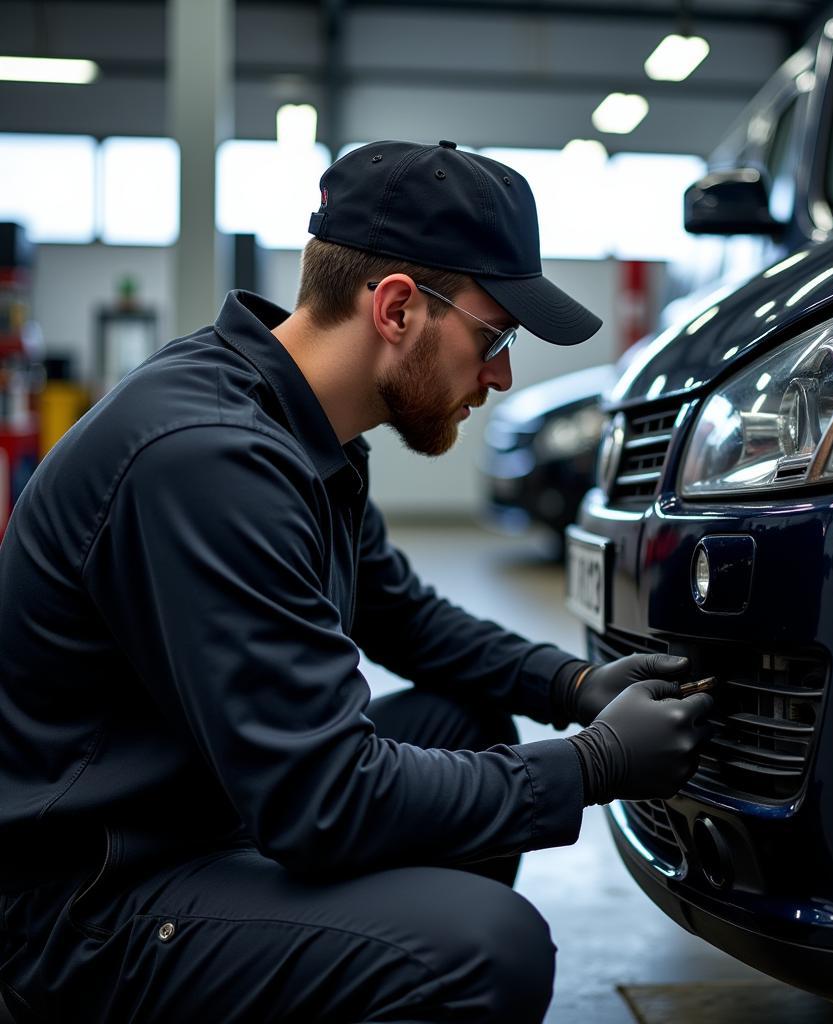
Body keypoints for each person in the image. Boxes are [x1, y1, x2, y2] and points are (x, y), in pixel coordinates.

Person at [0, 140, 713, 1024]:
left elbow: (400, 614)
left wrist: (570, 686)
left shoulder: (298, 427)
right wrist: (593, 765)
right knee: (486, 951)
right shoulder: (208, 459)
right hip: (92, 904)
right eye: (494, 336)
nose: (501, 376)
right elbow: (322, 800)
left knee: (463, 720)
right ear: (398, 308)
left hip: (205, 811)